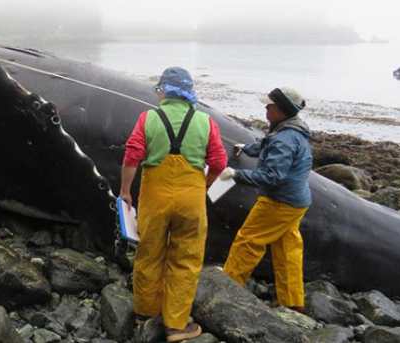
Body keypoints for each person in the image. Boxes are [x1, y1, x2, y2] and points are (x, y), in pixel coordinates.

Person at [120, 67, 227, 342]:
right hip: (190, 198)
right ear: (189, 91)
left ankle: (145, 312)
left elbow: (132, 155)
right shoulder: (206, 121)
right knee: (186, 259)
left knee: (148, 253)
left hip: (155, 196)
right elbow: (219, 163)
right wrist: (204, 185)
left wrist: (125, 191)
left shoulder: (148, 117)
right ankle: (177, 325)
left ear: (164, 90)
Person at [219, 87, 312, 313]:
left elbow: (272, 177)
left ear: (281, 110)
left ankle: (227, 287)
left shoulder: (284, 139)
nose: (266, 108)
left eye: (269, 106)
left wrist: (236, 174)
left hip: (279, 202)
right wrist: (247, 148)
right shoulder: (290, 129)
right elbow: (266, 144)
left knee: (248, 240)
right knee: (287, 248)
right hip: (297, 201)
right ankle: (292, 301)